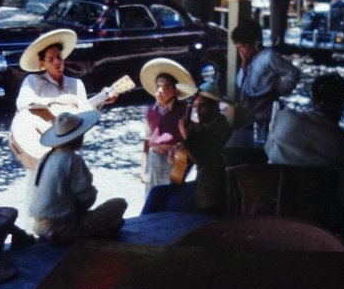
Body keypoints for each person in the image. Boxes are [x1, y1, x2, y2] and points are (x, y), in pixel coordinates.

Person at [264, 73, 344, 205]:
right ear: (341, 103)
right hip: (316, 216)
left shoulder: (284, 119)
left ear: (313, 99)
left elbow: (268, 149)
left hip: (273, 205)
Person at [29, 110, 128, 245]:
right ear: (77, 137)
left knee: (109, 220)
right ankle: (72, 236)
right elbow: (87, 199)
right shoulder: (72, 159)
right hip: (61, 228)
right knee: (119, 203)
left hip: (39, 226)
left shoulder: (45, 157)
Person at [141, 82, 233, 215]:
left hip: (212, 192)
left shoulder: (221, 127)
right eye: (195, 106)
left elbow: (204, 162)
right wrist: (178, 150)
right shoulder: (203, 126)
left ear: (215, 106)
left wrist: (186, 138)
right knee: (156, 192)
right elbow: (186, 160)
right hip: (200, 187)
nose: (198, 111)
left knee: (168, 204)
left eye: (203, 106)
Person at [10, 29, 94, 170]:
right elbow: (23, 103)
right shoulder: (33, 81)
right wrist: (55, 101)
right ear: (42, 63)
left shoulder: (76, 84)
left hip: (67, 143)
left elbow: (84, 113)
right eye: (51, 59)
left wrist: (102, 101)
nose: (57, 62)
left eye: (59, 57)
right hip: (39, 145)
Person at [226, 19, 300, 146]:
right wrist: (243, 64)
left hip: (267, 114)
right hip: (252, 115)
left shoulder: (269, 57)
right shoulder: (248, 60)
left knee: (265, 144)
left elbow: (293, 73)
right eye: (238, 48)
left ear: (255, 43)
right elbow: (240, 83)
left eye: (243, 47)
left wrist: (278, 89)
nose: (241, 51)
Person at [139, 58, 196, 195]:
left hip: (174, 160)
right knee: (152, 195)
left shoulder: (185, 110)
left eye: (165, 86)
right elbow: (146, 141)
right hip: (154, 159)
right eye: (158, 86)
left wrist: (179, 149)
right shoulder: (151, 111)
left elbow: (192, 139)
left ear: (175, 90)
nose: (160, 90)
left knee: (170, 195)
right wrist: (142, 169)